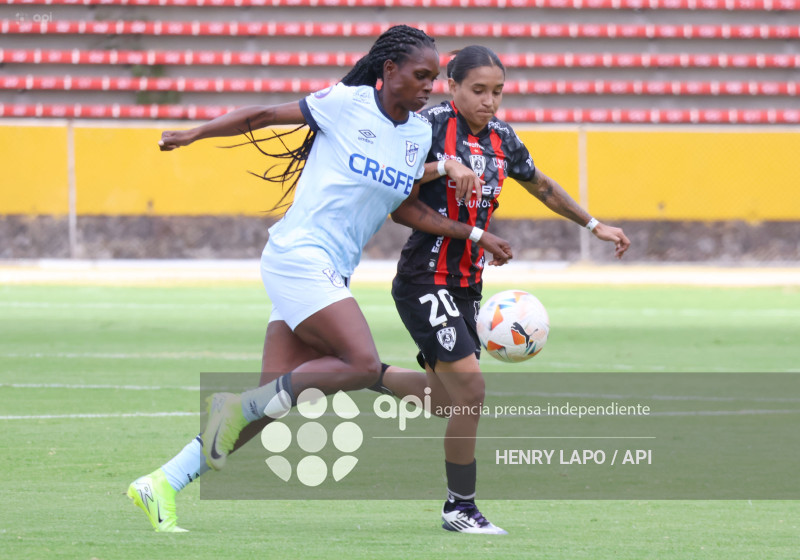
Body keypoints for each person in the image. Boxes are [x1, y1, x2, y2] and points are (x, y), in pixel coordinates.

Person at [126, 26, 514, 534]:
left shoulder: (418, 135)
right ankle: (236, 405)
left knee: (269, 407)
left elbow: (403, 205)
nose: (427, 86)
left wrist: (469, 222)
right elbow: (262, 117)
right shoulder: (345, 103)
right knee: (358, 362)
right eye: (420, 75)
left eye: (433, 78)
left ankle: (161, 483)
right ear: (388, 71)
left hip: (330, 269)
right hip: (298, 256)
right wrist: (195, 133)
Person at [370, 45, 631, 534]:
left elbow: (542, 186)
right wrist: (456, 197)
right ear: (451, 86)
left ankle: (365, 372)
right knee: (471, 390)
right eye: (478, 90)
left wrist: (594, 225)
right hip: (425, 277)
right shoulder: (426, 128)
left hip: (467, 284)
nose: (490, 101)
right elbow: (398, 200)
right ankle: (459, 509)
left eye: (498, 92)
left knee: (447, 401)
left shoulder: (502, 138)